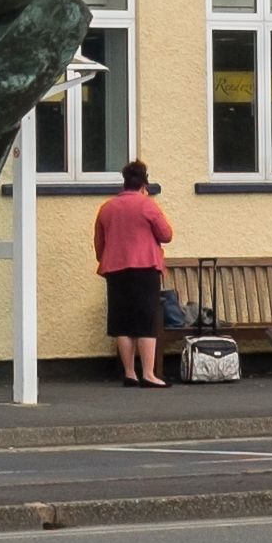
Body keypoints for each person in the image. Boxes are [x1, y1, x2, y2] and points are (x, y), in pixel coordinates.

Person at [91, 159, 176, 386]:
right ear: (144, 185)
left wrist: (107, 259)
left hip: (115, 269)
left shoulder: (107, 208)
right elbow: (166, 234)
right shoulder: (147, 205)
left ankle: (129, 373)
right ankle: (149, 374)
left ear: (124, 183)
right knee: (146, 319)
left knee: (122, 320)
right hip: (144, 267)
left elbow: (99, 243)